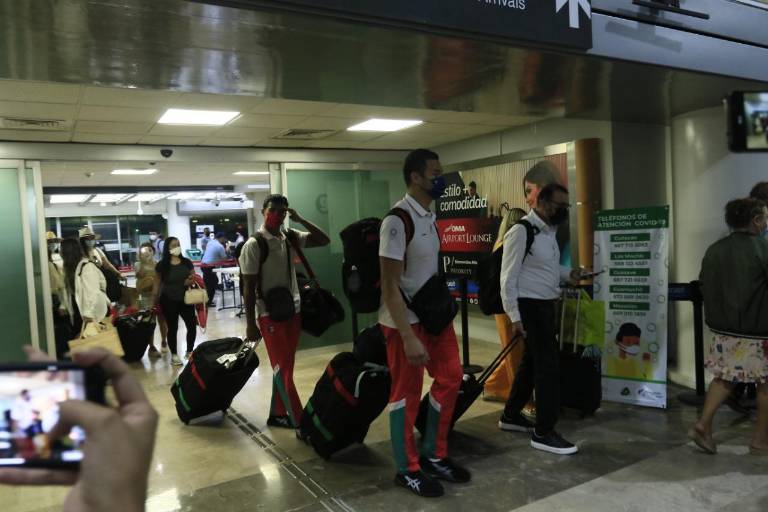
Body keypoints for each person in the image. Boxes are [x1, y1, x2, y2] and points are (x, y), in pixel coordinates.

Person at [378, 149, 470, 498]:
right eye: (435, 172)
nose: (441, 178)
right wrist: (407, 336)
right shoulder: (397, 221)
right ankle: (407, 468)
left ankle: (434, 453)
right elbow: (389, 285)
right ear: (415, 177)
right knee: (405, 395)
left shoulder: (428, 217)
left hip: (433, 319)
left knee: (450, 377)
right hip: (405, 322)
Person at [0, 347, 159, 512]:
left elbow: (33, 416)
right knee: (37, 444)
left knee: (41, 445)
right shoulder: (18, 405)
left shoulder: (36, 405)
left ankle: (40, 450)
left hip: (36, 428)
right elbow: (17, 419)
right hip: (29, 428)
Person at [498, 182, 583, 455]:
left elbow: (545, 268)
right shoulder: (521, 231)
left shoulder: (547, 232)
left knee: (532, 361)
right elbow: (507, 278)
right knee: (547, 367)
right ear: (543, 203)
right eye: (561, 205)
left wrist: (569, 274)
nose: (564, 210)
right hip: (530, 307)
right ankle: (544, 431)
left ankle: (511, 415)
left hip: (545, 305)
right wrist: (514, 316)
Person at [240, 194, 330, 429]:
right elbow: (248, 288)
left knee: (286, 366)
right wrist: (251, 324)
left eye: (282, 211)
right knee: (281, 366)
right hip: (269, 314)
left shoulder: (290, 237)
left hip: (293, 309)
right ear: (263, 211)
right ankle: (298, 419)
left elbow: (323, 240)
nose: (277, 215)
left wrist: (299, 219)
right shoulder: (254, 245)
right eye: (273, 210)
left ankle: (278, 413)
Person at [690, 197, 768, 455]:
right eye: (765, 218)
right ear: (756, 220)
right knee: (765, 384)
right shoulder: (762, 247)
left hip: (723, 330)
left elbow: (704, 283)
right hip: (758, 330)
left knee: (724, 377)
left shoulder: (715, 249)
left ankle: (703, 423)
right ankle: (760, 439)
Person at [483, 208, 534, 415]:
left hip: (505, 308)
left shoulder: (500, 243)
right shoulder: (509, 244)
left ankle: (493, 386)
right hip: (508, 308)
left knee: (511, 352)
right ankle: (523, 402)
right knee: (516, 356)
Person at [153, 237, 197, 366]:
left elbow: (193, 277)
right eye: (173, 245)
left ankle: (189, 351)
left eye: (178, 244)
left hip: (186, 299)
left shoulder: (187, 262)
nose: (176, 247)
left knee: (191, 325)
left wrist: (190, 280)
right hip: (168, 300)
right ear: (167, 248)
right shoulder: (162, 265)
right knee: (172, 328)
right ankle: (174, 355)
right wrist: (153, 301)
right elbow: (157, 284)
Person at [59, 238, 110, 337]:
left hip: (92, 315)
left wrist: (89, 318)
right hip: (80, 313)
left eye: (61, 250)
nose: (60, 253)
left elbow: (93, 294)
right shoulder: (70, 270)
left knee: (93, 345)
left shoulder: (87, 267)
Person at [135, 243, 168, 356]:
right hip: (145, 297)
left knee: (162, 320)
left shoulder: (158, 263)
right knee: (149, 321)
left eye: (150, 250)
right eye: (144, 250)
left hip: (159, 295)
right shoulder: (138, 264)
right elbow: (139, 275)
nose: (147, 252)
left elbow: (163, 278)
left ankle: (164, 341)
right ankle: (152, 346)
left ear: (153, 251)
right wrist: (144, 262)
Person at [47, 232, 70, 359]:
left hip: (59, 300)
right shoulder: (47, 263)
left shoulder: (59, 258)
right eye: (49, 242)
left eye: (54, 242)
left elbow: (62, 285)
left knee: (61, 331)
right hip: (54, 300)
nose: (52, 245)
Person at [201, 232, 230, 307]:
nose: (225, 240)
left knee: (209, 283)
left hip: (204, 265)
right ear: (222, 238)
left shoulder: (210, 242)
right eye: (224, 238)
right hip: (209, 267)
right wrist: (227, 248)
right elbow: (224, 258)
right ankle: (208, 302)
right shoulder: (219, 246)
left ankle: (207, 301)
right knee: (212, 284)